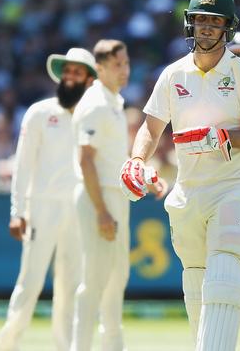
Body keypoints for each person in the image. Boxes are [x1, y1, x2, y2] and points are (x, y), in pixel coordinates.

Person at [119, 0, 240, 350]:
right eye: (201, 20)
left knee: (224, 280)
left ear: (228, 28)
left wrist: (226, 137)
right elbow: (150, 127)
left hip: (233, 187)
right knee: (196, 284)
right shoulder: (173, 74)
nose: (207, 28)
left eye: (215, 22)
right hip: (189, 192)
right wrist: (138, 159)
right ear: (191, 24)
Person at [0, 48, 97, 351]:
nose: (69, 78)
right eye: (66, 72)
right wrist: (18, 211)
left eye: (77, 73)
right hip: (42, 207)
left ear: (90, 80)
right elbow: (23, 165)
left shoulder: (95, 116)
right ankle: (8, 344)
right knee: (30, 282)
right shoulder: (40, 113)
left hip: (79, 209)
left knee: (70, 286)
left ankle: (66, 347)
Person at [69, 39, 165, 351]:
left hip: (115, 198)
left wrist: (147, 176)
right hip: (100, 200)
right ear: (99, 68)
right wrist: (101, 211)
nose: (124, 70)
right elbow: (86, 160)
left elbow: (114, 159)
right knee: (95, 281)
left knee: (116, 278)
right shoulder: (96, 103)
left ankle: (113, 344)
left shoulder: (114, 101)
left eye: (125, 63)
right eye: (116, 65)